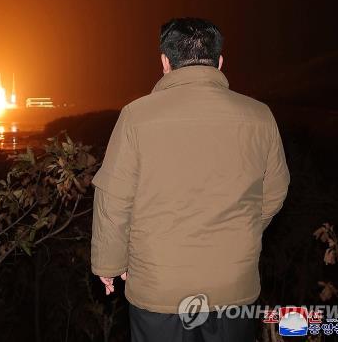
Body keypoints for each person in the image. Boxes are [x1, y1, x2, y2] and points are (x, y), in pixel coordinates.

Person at [90, 18, 291, 341]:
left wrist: (108, 263)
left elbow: (114, 198)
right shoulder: (260, 115)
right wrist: (242, 228)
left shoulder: (136, 116)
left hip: (159, 287)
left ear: (165, 62)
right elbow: (276, 190)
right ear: (220, 62)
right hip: (233, 285)